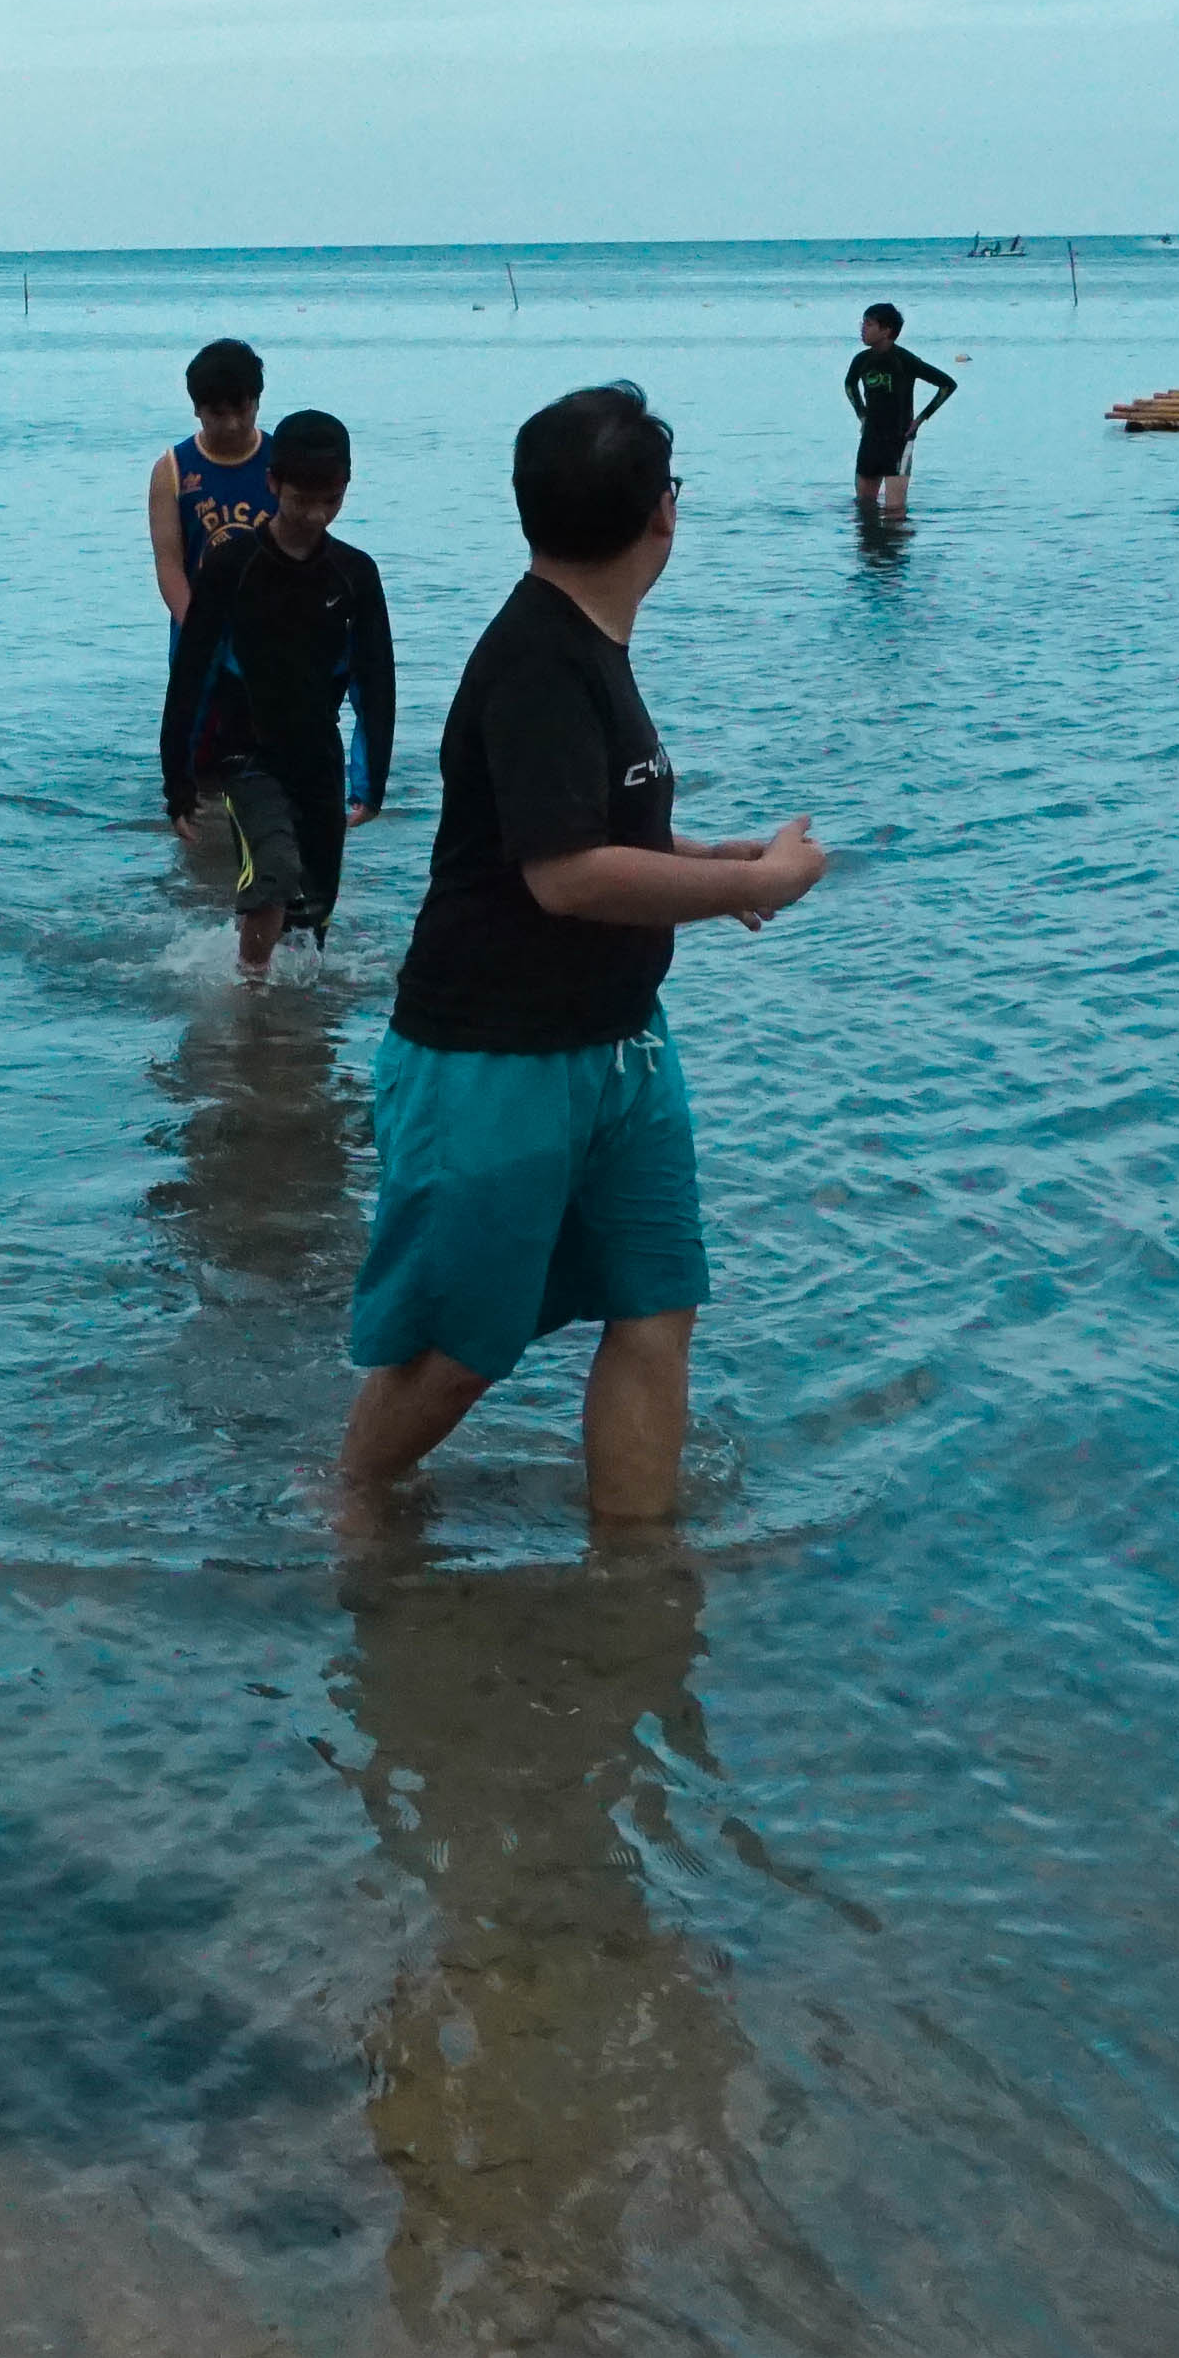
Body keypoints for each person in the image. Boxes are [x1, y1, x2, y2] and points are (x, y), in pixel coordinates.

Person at [337, 385, 825, 1529]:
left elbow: (588, 831)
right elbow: (565, 876)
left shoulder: (589, 644)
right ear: (665, 514)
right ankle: (345, 1508)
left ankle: (636, 1577)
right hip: (491, 1058)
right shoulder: (538, 660)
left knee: (657, 1308)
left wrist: (710, 855)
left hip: (620, 1055)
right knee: (465, 1347)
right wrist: (749, 889)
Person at [160, 410, 396, 977]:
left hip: (317, 756)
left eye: (331, 501)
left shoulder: (354, 574)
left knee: (312, 909)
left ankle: (293, 1036)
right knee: (273, 871)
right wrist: (179, 780)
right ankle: (249, 999)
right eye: (301, 500)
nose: (315, 515)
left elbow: (375, 680)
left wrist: (372, 782)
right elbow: (192, 674)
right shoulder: (231, 567)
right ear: (273, 484)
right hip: (244, 754)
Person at [146, 340, 272, 823]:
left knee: (265, 754)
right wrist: (201, 628)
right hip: (198, 629)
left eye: (241, 409)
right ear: (198, 409)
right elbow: (169, 563)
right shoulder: (173, 471)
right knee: (196, 759)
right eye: (217, 413)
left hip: (268, 633)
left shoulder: (280, 462)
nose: (233, 424)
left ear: (256, 400)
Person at [841, 304, 957, 522]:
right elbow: (849, 385)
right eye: (862, 323)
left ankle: (895, 552)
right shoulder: (861, 360)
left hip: (899, 438)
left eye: (869, 324)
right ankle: (869, 552)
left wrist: (920, 420)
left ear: (886, 330)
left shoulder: (904, 360)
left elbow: (947, 385)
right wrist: (862, 415)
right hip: (870, 438)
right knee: (864, 508)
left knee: (895, 511)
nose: (862, 328)